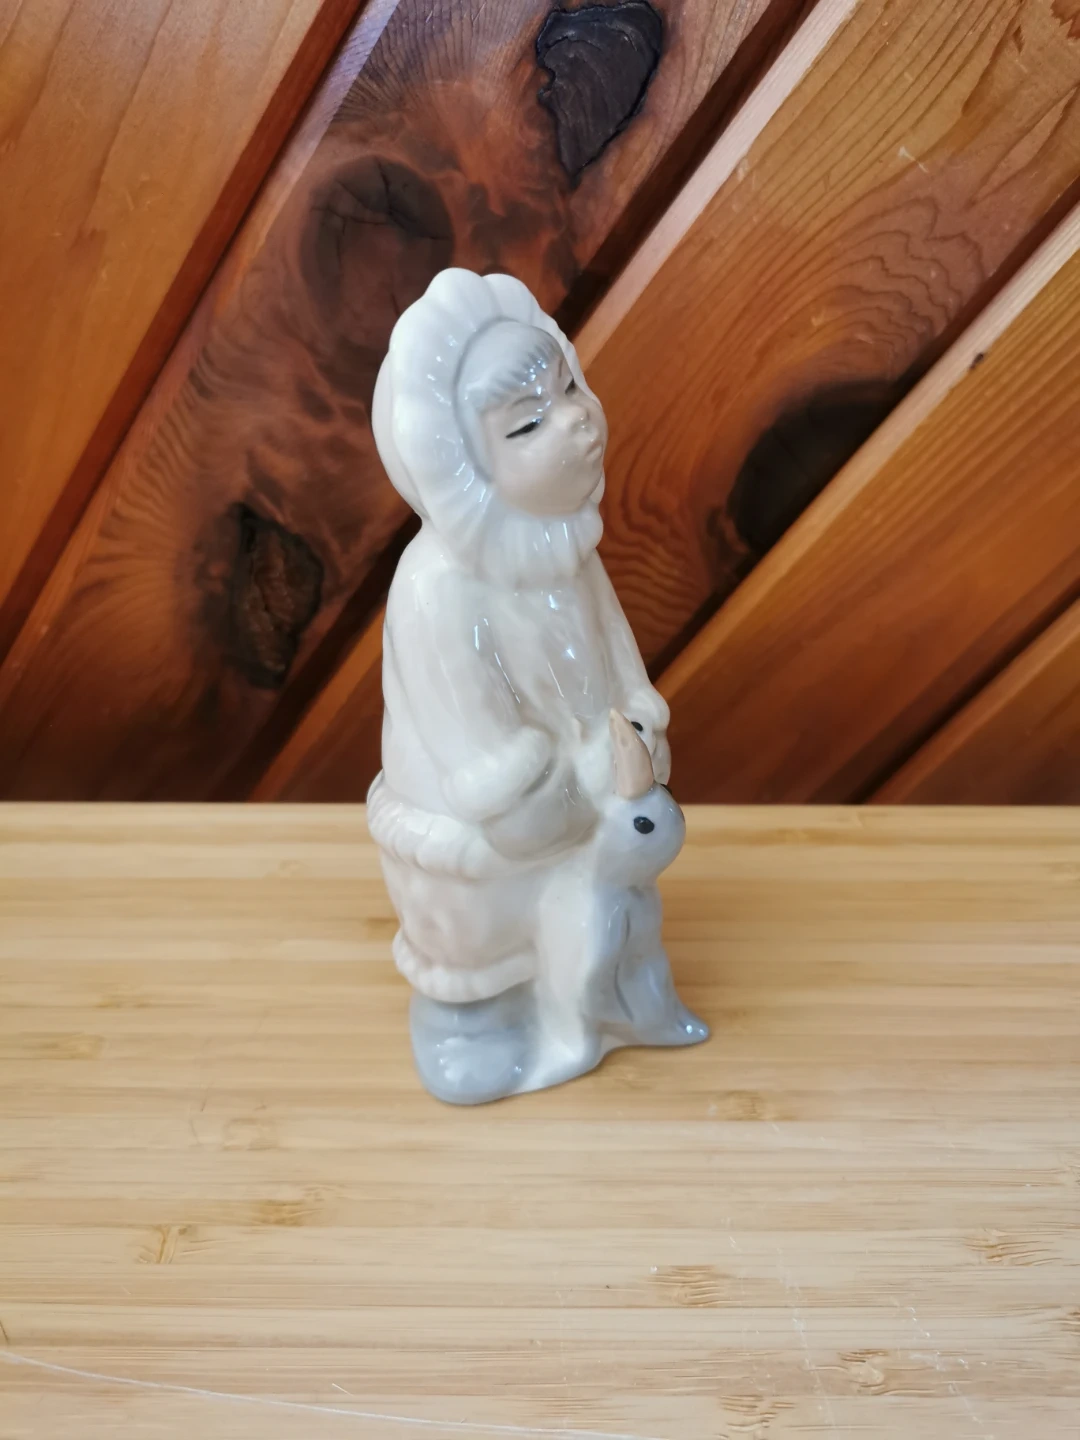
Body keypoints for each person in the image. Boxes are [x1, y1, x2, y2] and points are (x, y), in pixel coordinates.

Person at [368, 269, 672, 1102]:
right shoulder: (437, 587)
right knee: (483, 927)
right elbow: (475, 741)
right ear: (462, 469)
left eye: (570, 387)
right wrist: (539, 792)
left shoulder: (571, 549)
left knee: (600, 901)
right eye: (530, 421)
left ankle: (596, 991)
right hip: (492, 827)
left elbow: (615, 653)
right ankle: (472, 1019)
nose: (576, 417)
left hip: (592, 791)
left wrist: (637, 719)